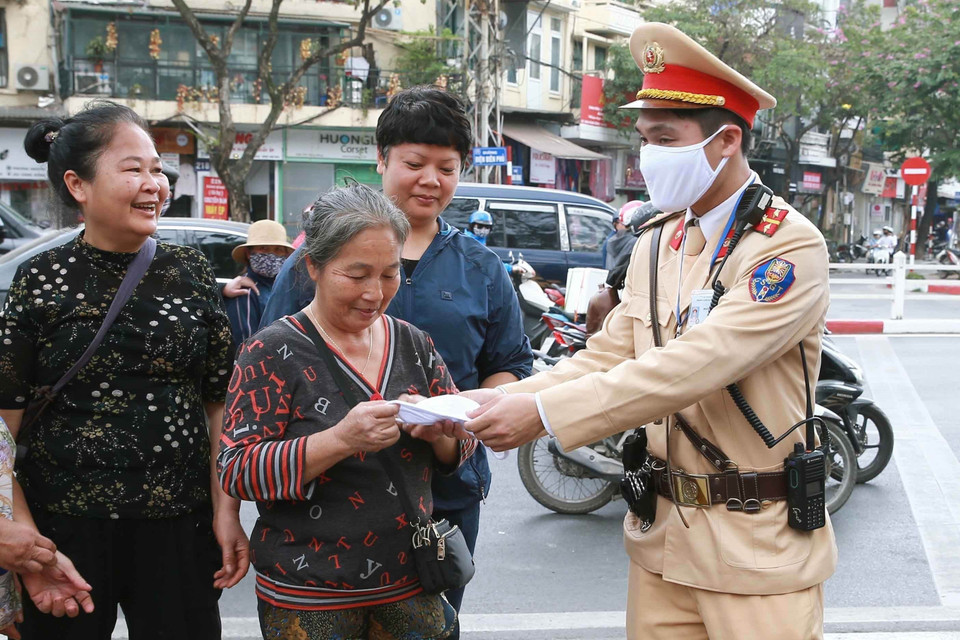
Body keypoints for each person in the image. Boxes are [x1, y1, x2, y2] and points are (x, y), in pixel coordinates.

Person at [463, 23, 837, 640]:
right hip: (662, 541)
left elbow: (697, 364)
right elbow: (611, 353)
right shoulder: (659, 239)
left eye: (665, 139)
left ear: (726, 141)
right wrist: (509, 398)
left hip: (756, 549)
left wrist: (549, 416)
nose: (648, 156)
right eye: (644, 139)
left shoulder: (787, 245)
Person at [260, 86, 532, 634]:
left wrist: (461, 412)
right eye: (414, 163)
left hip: (444, 493)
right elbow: (268, 366)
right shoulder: (314, 259)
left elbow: (510, 365)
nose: (430, 180)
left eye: (446, 167)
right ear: (382, 159)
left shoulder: (480, 267)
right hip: (329, 497)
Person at [0, 101, 249, 639]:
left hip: (180, 528)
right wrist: (20, 536)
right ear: (78, 185)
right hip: (63, 531)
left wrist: (224, 512)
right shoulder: (41, 279)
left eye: (157, 168)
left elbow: (218, 405)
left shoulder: (190, 271)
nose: (153, 183)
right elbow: (3, 428)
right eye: (132, 168)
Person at [219, 184, 477, 639]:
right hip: (309, 596)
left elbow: (462, 447)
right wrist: (339, 440)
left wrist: (441, 432)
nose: (375, 294)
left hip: (410, 584)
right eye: (356, 275)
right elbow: (238, 469)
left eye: (390, 274)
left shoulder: (413, 343)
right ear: (314, 266)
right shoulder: (272, 350)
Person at [223, 219, 294, 353]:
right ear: (249, 254)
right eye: (264, 248)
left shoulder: (285, 288)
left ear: (285, 255)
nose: (271, 255)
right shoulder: (244, 292)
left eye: (278, 250)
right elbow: (247, 349)